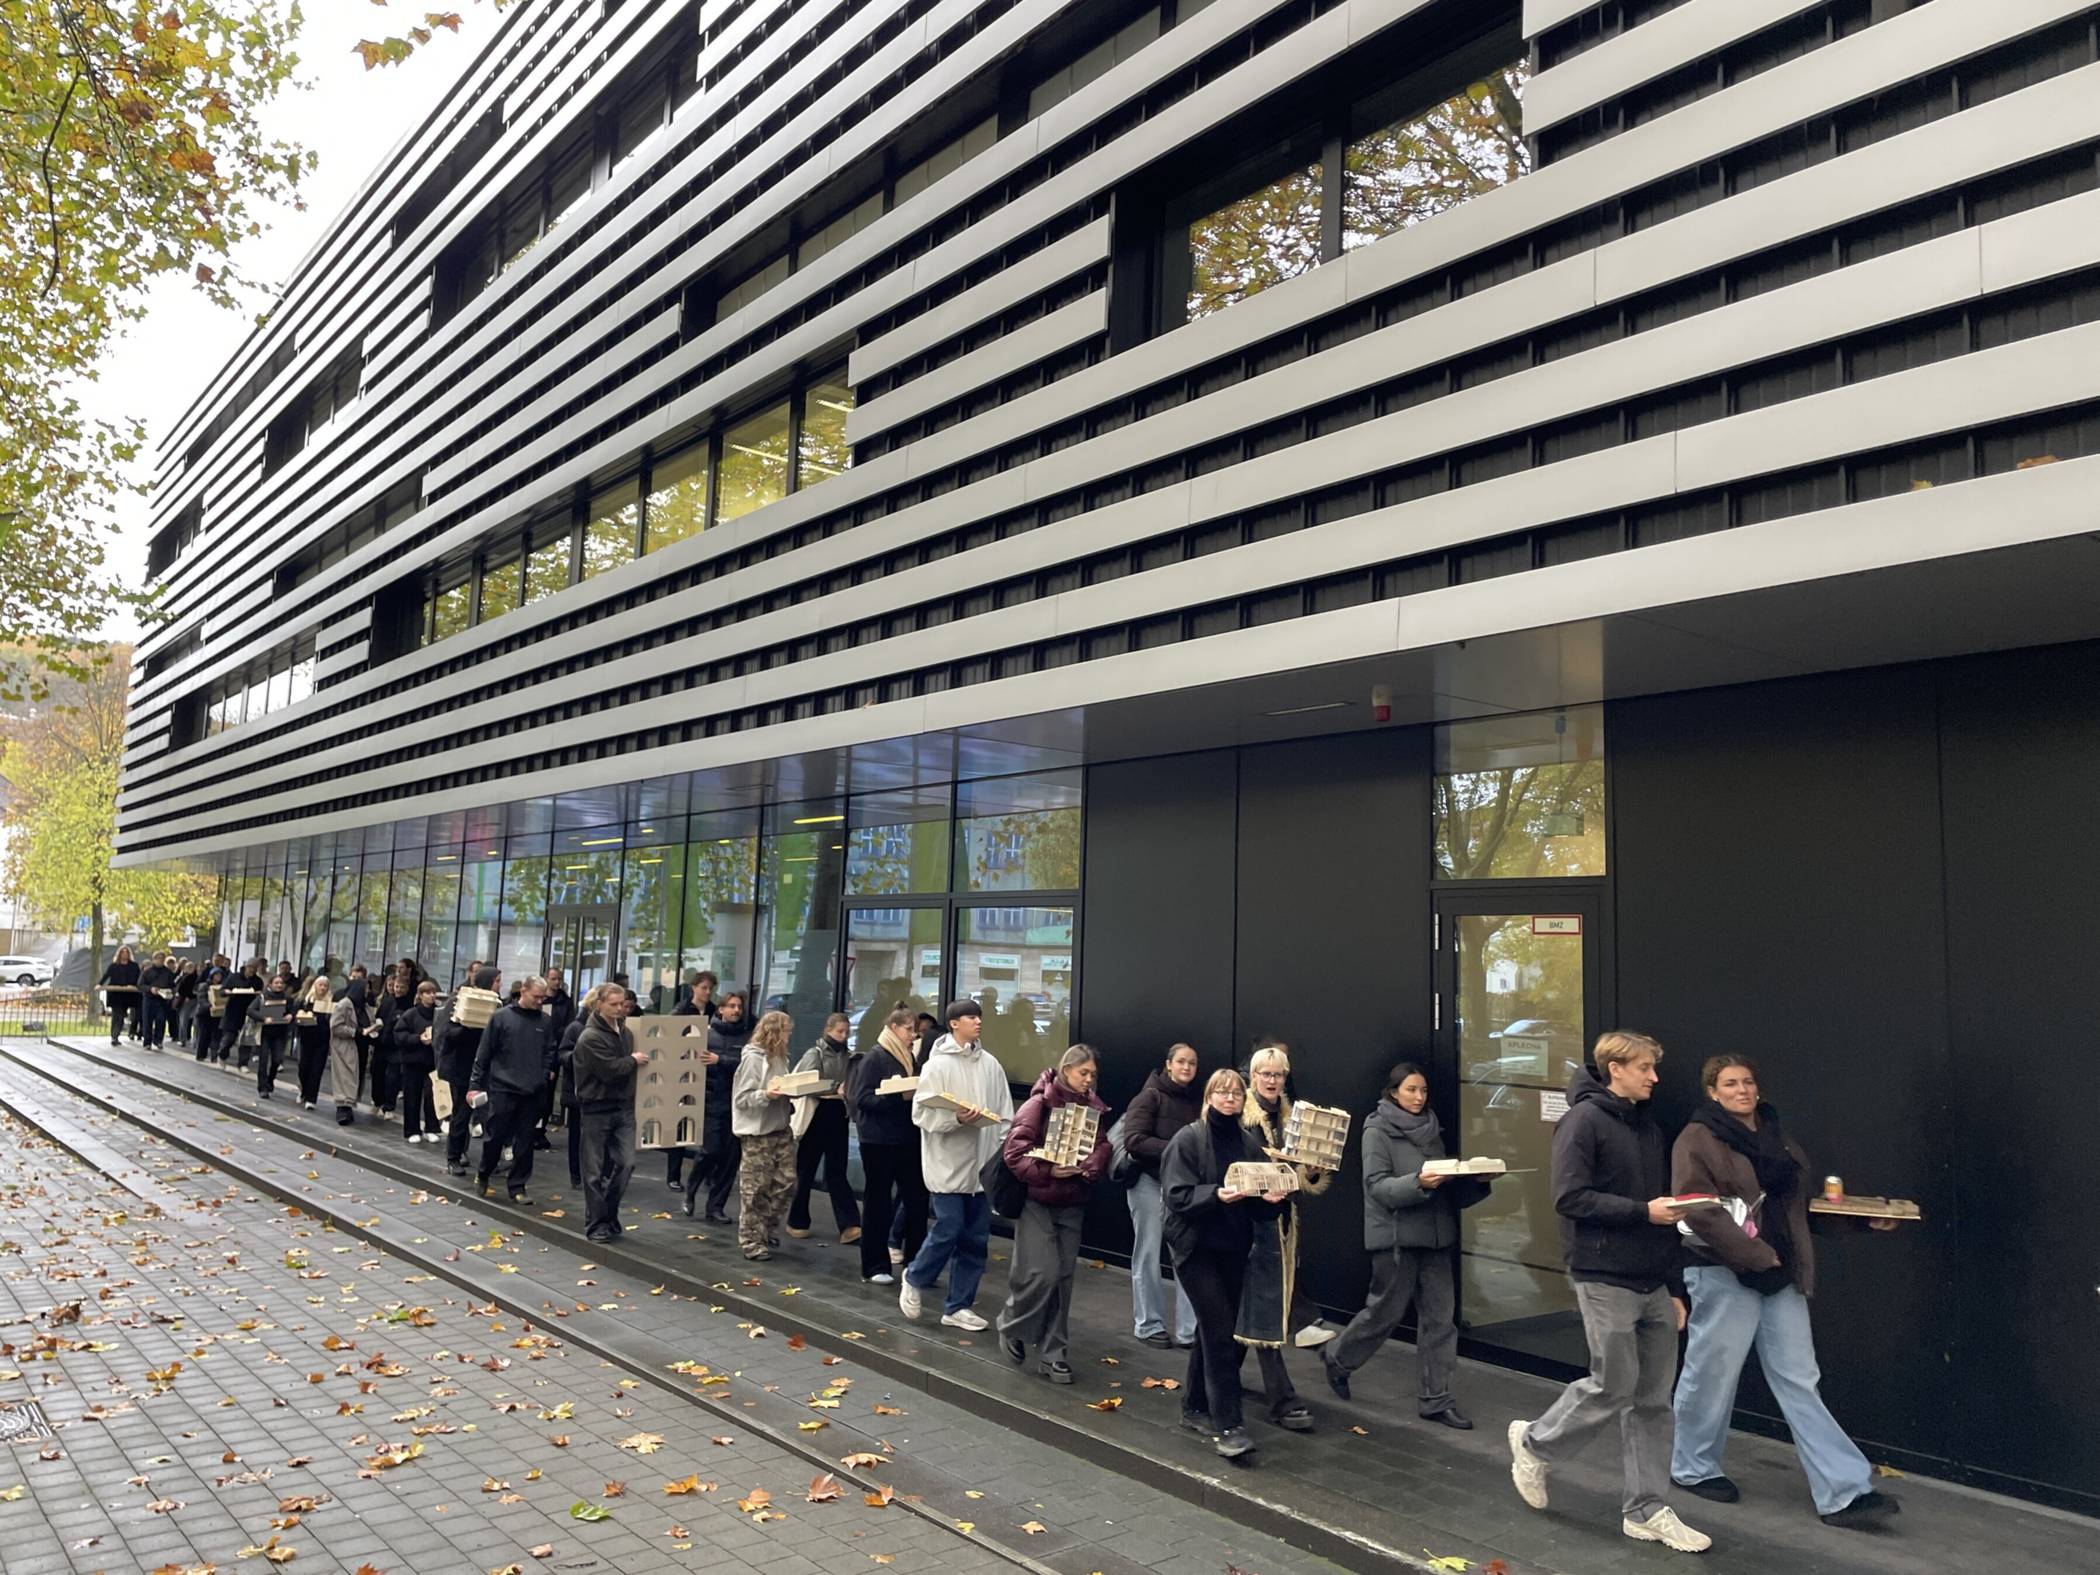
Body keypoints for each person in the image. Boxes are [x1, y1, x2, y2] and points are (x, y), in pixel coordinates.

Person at [1670, 1054, 1900, 1529]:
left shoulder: (1779, 1140)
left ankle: (1844, 1491)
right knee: (1711, 1376)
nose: (1742, 1090)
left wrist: (1861, 1223)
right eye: (1730, 1083)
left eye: (1748, 1081)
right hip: (1723, 1273)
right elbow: (1697, 1211)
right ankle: (1692, 1468)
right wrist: (1758, 1258)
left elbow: (1799, 1212)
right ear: (1712, 1092)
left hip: (1782, 1276)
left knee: (1800, 1379)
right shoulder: (1697, 1139)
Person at [1509, 1031, 1711, 1554]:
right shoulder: (1582, 1121)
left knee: (1653, 1400)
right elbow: (1568, 1197)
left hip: (1651, 1278)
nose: (1654, 1077)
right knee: (1613, 1385)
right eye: (1644, 1068)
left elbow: (1659, 1207)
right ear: (1614, 1069)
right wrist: (1642, 1213)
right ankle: (1534, 1444)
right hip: (1602, 1275)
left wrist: (1672, 1286)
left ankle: (1646, 1509)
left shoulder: (1646, 1125)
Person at [1324, 1063, 1493, 1426]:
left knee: (1440, 1321)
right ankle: (1338, 1358)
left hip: (1436, 1236)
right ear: (1394, 1092)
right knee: (1384, 1313)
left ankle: (1436, 1398)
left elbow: (1447, 1187)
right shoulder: (1376, 1129)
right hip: (1397, 1237)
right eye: (1411, 1090)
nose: (1419, 1098)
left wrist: (1477, 1180)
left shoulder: (1432, 1129)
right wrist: (1418, 1183)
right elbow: (1377, 1187)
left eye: (1423, 1091)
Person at [1160, 1068, 1306, 1460]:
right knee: (1222, 1331)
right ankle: (1229, 1425)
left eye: (1236, 1094)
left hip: (1233, 1248)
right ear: (1208, 1097)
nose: (1229, 1099)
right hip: (1195, 1250)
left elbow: (1258, 1203)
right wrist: (1216, 1196)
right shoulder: (1188, 1140)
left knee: (1215, 1329)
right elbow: (1176, 1195)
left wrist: (1270, 1200)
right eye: (1221, 1093)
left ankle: (1194, 1407)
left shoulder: (1246, 1142)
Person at [997, 1044, 1111, 1384]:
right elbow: (1014, 1153)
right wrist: (1048, 1171)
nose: (1088, 1080)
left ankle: (1054, 1353)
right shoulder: (1039, 1103)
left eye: (1093, 1075)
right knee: (1042, 1273)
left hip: (1073, 1200)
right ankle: (1013, 1322)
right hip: (1039, 1200)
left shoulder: (1093, 1106)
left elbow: (1102, 1144)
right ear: (1066, 1069)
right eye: (1083, 1073)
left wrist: (1091, 1166)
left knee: (1063, 1279)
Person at [899, 1000, 1013, 1331]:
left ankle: (958, 1306)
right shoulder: (937, 1066)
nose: (978, 1022)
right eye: (970, 1017)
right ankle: (915, 1275)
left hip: (982, 1167)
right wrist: (956, 1118)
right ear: (953, 1023)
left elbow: (1005, 1111)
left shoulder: (990, 1064)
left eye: (979, 1017)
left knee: (976, 1239)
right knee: (948, 1227)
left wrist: (1003, 1148)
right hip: (947, 1165)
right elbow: (920, 1114)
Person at [1243, 1042, 1336, 1348]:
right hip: (1248, 1214)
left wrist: (1310, 1171)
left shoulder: (1291, 1118)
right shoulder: (1243, 1116)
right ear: (1254, 1075)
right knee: (1256, 1296)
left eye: (1279, 1075)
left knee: (1261, 1298)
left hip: (1282, 1212)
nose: (1272, 1081)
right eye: (1266, 1074)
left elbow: (1302, 1176)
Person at [1123, 1042, 1202, 1349]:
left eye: (1192, 1064)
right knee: (1147, 1254)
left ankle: (1188, 1330)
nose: (1186, 1068)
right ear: (1168, 1064)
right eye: (1181, 1062)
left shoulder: (1198, 1101)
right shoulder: (1149, 1096)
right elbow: (1134, 1140)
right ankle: (1148, 1324)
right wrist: (1177, 1150)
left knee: (1187, 1257)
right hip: (1149, 1183)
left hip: (1182, 1189)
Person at [849, 1005, 927, 1284]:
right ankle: (874, 1265)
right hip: (878, 1140)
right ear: (894, 1028)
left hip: (907, 1138)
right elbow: (862, 1099)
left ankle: (916, 1263)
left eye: (915, 1031)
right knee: (878, 1202)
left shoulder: (909, 1058)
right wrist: (898, 1097)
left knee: (917, 1200)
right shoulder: (875, 1057)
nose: (913, 1036)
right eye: (909, 1030)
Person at [468, 974, 556, 1202]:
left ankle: (518, 1186)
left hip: (533, 1089)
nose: (540, 1002)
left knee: (525, 1141)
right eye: (537, 996)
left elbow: (549, 1050)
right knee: (495, 1137)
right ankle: (484, 1172)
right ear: (523, 991)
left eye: (543, 998)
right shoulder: (501, 1018)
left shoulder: (544, 1022)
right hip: (503, 1087)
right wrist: (474, 1085)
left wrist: (544, 1073)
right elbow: (484, 1052)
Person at [574, 984, 647, 1243]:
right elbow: (609, 1070)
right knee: (593, 1171)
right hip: (596, 1108)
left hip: (622, 1107)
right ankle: (596, 1224)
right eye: (614, 1004)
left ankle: (607, 1213)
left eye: (622, 1003)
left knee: (627, 1163)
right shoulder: (590, 1037)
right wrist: (633, 1061)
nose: (620, 1008)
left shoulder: (624, 1032)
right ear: (599, 1005)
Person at [785, 1011, 862, 1243]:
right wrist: (835, 1087)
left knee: (836, 1170)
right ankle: (797, 1220)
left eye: (847, 1032)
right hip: (818, 1113)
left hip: (838, 1114)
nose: (844, 1036)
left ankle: (849, 1224)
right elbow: (807, 1082)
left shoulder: (848, 1056)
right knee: (806, 1170)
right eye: (840, 1031)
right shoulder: (816, 1053)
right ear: (828, 1030)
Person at [730, 1009, 797, 1260]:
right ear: (776, 1034)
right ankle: (751, 1238)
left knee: (786, 1182)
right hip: (757, 1132)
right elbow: (742, 1099)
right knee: (755, 1186)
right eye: (786, 1033)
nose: (789, 1038)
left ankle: (766, 1227)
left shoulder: (780, 1058)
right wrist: (766, 1096)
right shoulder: (753, 1059)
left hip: (780, 1127)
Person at [683, 986, 747, 1222]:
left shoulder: (746, 1037)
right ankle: (691, 1188)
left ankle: (715, 1206)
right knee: (710, 1151)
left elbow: (746, 1065)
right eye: (731, 1006)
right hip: (710, 1102)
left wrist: (722, 1060)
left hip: (736, 1104)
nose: (736, 1010)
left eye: (739, 1006)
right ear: (720, 1009)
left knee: (731, 1159)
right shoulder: (707, 1035)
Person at [438, 966, 500, 1178]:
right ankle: (454, 1156)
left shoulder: (498, 1005)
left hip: (486, 1069)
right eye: (497, 981)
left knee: (488, 1115)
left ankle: (490, 1160)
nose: (500, 985)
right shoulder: (459, 1001)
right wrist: (467, 1025)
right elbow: (447, 1033)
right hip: (463, 1068)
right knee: (462, 1114)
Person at [665, 970, 718, 1187]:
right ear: (694, 988)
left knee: (706, 1122)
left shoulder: (714, 1010)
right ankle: (673, 1175)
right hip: (684, 1070)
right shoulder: (681, 1011)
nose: (707, 992)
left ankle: (705, 1173)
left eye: (710, 989)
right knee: (681, 1121)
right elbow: (670, 1038)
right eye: (704, 987)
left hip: (706, 1069)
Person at [393, 979, 442, 1142]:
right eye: (428, 993)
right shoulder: (411, 1014)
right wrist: (418, 1038)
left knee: (433, 1096)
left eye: (434, 992)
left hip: (432, 1061)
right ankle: (412, 1129)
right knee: (412, 1096)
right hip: (412, 1061)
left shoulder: (439, 1014)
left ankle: (432, 1127)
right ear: (420, 995)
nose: (432, 996)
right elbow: (399, 1035)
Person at [329, 975, 375, 1125]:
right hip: (346, 1046)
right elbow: (335, 1027)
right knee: (345, 1076)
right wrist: (356, 1031)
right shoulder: (344, 1004)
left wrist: (373, 1030)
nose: (367, 992)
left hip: (361, 1046)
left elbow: (369, 1021)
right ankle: (343, 1107)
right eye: (365, 989)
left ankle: (350, 1104)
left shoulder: (365, 1006)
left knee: (357, 1075)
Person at [249, 972, 296, 1097]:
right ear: (270, 984)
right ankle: (262, 1088)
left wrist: (291, 1015)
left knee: (277, 1060)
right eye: (276, 983)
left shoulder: (287, 998)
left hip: (280, 1033)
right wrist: (263, 1019)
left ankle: (270, 1080)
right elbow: (251, 1010)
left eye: (281, 983)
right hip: (265, 1032)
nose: (279, 985)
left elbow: (293, 1011)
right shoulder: (262, 997)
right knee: (263, 1061)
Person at [372, 969, 411, 1118]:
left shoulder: (408, 1005)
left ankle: (389, 1106)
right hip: (382, 1042)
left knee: (393, 1077)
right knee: (377, 1073)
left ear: (407, 989)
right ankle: (378, 1101)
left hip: (396, 1046)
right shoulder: (387, 1001)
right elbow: (378, 1017)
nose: (398, 990)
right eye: (396, 987)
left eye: (401, 987)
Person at [294, 975, 333, 1107]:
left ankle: (311, 1099)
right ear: (314, 986)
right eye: (320, 985)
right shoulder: (306, 1001)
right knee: (303, 1068)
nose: (322, 988)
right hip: (306, 1038)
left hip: (322, 1040)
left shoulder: (330, 1004)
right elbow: (296, 1016)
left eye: (325, 985)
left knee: (316, 1070)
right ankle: (303, 1091)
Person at [100, 946, 142, 1045]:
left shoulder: (134, 966)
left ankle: (116, 1034)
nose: (124, 954)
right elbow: (106, 975)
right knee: (116, 1015)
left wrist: (136, 986)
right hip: (115, 994)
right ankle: (114, 1036)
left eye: (126, 952)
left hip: (127, 995)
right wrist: (100, 984)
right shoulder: (114, 966)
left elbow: (138, 977)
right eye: (122, 952)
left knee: (122, 1015)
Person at [139, 952, 176, 1049]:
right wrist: (150, 989)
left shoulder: (168, 972)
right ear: (154, 959)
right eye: (158, 958)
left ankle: (158, 1040)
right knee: (147, 1021)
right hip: (149, 999)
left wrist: (169, 991)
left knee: (161, 1020)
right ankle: (147, 1042)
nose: (160, 960)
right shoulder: (147, 972)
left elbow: (173, 985)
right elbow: (140, 985)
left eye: (162, 958)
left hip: (162, 1000)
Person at [172, 959, 201, 1049]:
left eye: (190, 967)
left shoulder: (186, 977)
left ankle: (183, 1039)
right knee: (194, 1022)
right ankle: (194, 1041)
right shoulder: (197, 977)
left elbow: (179, 988)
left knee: (183, 1020)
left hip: (187, 1000)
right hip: (193, 1000)